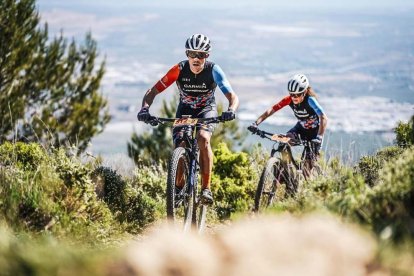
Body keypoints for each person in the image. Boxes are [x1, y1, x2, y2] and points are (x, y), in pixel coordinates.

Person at [137, 34, 239, 205]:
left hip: (206, 110)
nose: (196, 58)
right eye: (192, 53)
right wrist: (145, 108)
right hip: (185, 111)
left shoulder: (214, 70)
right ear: (187, 54)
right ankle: (178, 189)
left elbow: (233, 96)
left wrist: (231, 110)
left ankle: (206, 190)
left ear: (207, 56)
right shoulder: (179, 69)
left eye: (201, 54)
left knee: (203, 139)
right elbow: (153, 91)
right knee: (180, 144)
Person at [248, 74, 328, 168]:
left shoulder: (310, 100)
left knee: (307, 168)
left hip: (315, 133)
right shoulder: (288, 100)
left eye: (297, 94)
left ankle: (307, 176)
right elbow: (271, 110)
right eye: (291, 94)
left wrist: (319, 137)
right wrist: (256, 123)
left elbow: (323, 117)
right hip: (301, 129)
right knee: (285, 141)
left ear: (305, 91)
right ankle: (285, 171)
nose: (294, 97)